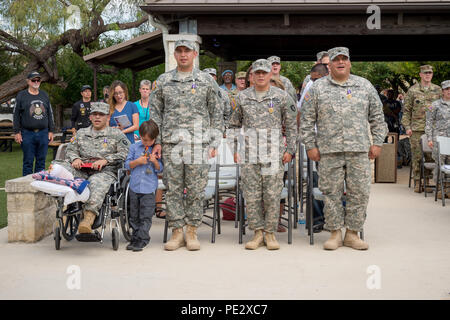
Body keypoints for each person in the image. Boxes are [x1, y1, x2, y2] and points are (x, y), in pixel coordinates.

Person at [300, 47, 387, 251]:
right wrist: (310, 145)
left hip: (359, 150)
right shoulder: (317, 88)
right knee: (331, 193)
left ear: (349, 63)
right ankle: (335, 233)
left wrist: (377, 142)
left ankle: (353, 234)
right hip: (329, 151)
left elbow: (377, 117)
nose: (340, 62)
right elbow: (306, 119)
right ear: (328, 65)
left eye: (344, 59)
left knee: (359, 192)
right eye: (336, 59)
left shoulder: (363, 85)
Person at [149, 39, 223, 251]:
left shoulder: (206, 81)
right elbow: (155, 113)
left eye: (187, 51)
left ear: (194, 54)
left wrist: (214, 141)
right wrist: (158, 141)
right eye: (179, 51)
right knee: (173, 189)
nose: (183, 55)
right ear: (175, 55)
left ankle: (191, 230)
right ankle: (176, 231)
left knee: (195, 190)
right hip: (172, 144)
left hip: (198, 145)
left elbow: (217, 112)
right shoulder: (163, 81)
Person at [229, 59, 298, 250]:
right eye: (257, 72)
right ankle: (257, 232)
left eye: (264, 72)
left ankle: (270, 233)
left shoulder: (282, 96)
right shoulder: (242, 97)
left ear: (270, 75)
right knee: (251, 196)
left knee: (272, 195)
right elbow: (233, 125)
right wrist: (235, 149)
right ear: (251, 76)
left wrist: (290, 150)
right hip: (249, 154)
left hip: (273, 154)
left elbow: (292, 126)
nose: (260, 75)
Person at [53, 102, 130, 233]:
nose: (97, 117)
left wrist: (106, 160)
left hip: (105, 171)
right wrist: (75, 158)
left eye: (101, 114)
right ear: (90, 117)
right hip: (81, 169)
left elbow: (126, 152)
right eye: (94, 114)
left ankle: (88, 218)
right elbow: (70, 150)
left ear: (108, 117)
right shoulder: (81, 133)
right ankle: (68, 207)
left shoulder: (116, 134)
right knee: (59, 168)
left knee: (95, 182)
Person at [401, 64, 442, 192]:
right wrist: (407, 127)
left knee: (432, 156)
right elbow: (406, 111)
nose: (427, 75)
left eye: (429, 72)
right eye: (425, 73)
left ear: (432, 74)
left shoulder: (438, 90)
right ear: (420, 75)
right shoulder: (413, 91)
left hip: (433, 129)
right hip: (417, 129)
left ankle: (428, 181)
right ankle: (417, 182)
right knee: (417, 156)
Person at [124, 120, 163, 251]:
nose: (146, 143)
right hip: (134, 187)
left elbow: (160, 169)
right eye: (144, 139)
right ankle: (135, 238)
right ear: (140, 136)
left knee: (145, 216)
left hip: (149, 189)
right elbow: (126, 165)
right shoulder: (134, 147)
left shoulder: (156, 150)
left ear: (155, 139)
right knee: (134, 214)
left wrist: (155, 162)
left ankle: (143, 239)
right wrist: (137, 161)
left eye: (149, 141)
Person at [13, 71, 55, 176]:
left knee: (41, 161)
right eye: (33, 80)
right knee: (28, 161)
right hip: (27, 133)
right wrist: (17, 132)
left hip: (43, 133)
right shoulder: (21, 95)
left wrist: (51, 130)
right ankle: (27, 187)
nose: (36, 82)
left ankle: (39, 186)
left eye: (38, 80)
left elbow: (50, 113)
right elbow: (16, 114)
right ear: (28, 81)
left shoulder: (44, 95)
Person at [425, 80, 450, 198]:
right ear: (443, 91)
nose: (449, 91)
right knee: (440, 163)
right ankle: (440, 189)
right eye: (447, 89)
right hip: (439, 138)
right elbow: (429, 123)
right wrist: (429, 138)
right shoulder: (434, 105)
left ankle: (448, 189)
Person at [108, 80, 139, 144]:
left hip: (129, 142)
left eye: (120, 92)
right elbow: (106, 127)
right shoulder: (109, 108)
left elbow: (136, 126)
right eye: (116, 93)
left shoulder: (132, 106)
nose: (118, 95)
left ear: (124, 92)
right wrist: (115, 128)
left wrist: (122, 132)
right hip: (114, 142)